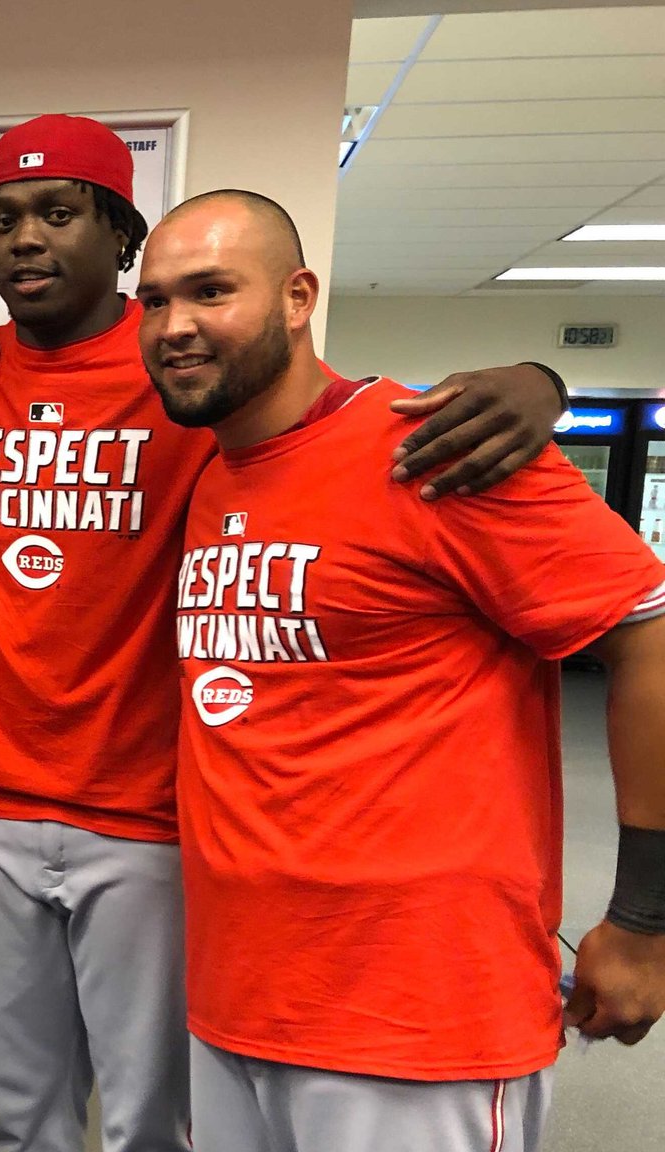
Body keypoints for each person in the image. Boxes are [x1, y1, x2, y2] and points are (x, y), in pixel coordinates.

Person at [0, 115, 568, 1152]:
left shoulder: (182, 365)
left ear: (117, 235)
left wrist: (540, 382)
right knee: (21, 1106)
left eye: (58, 213)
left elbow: (313, 421)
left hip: (148, 804)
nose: (27, 239)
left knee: (144, 1119)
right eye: (3, 220)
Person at [140, 187, 665, 1152]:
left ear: (298, 297)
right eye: (155, 300)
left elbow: (650, 634)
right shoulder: (215, 474)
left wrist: (645, 917)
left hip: (416, 1019)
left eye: (211, 291)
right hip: (239, 1001)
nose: (175, 326)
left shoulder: (440, 446)